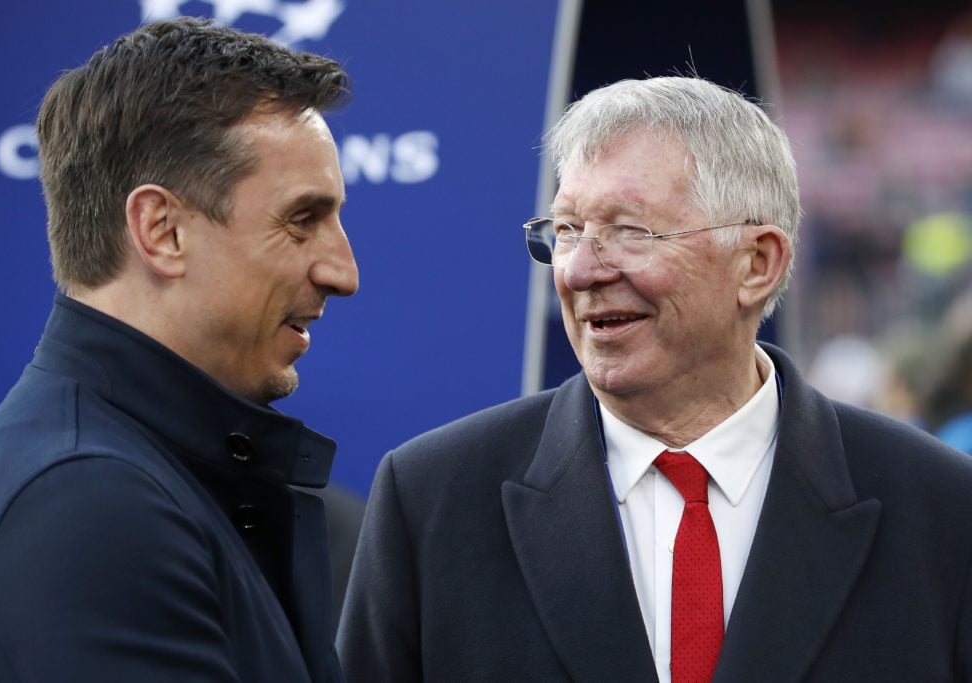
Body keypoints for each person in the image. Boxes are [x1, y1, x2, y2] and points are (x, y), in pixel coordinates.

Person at [337, 77, 972, 682]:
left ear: (757, 263)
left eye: (628, 232)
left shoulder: (940, 508)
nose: (580, 270)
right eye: (566, 232)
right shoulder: (432, 500)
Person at [0, 17, 358, 681]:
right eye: (303, 220)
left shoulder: (136, 472)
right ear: (162, 230)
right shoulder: (87, 504)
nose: (344, 270)